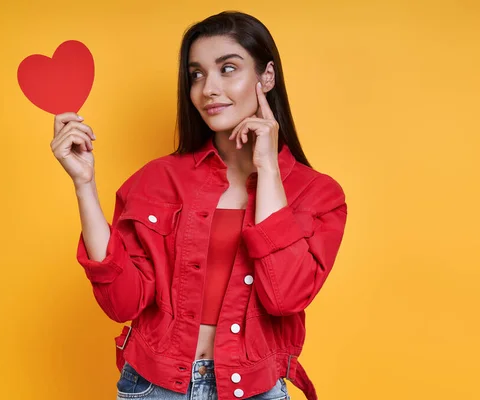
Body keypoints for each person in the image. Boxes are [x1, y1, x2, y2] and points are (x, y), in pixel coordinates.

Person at [50, 10, 347, 400]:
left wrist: (268, 168)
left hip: (255, 389)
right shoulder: (157, 179)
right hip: (153, 387)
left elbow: (284, 297)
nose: (208, 88)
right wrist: (83, 184)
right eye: (197, 74)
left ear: (266, 77)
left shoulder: (318, 194)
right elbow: (122, 302)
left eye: (228, 68)